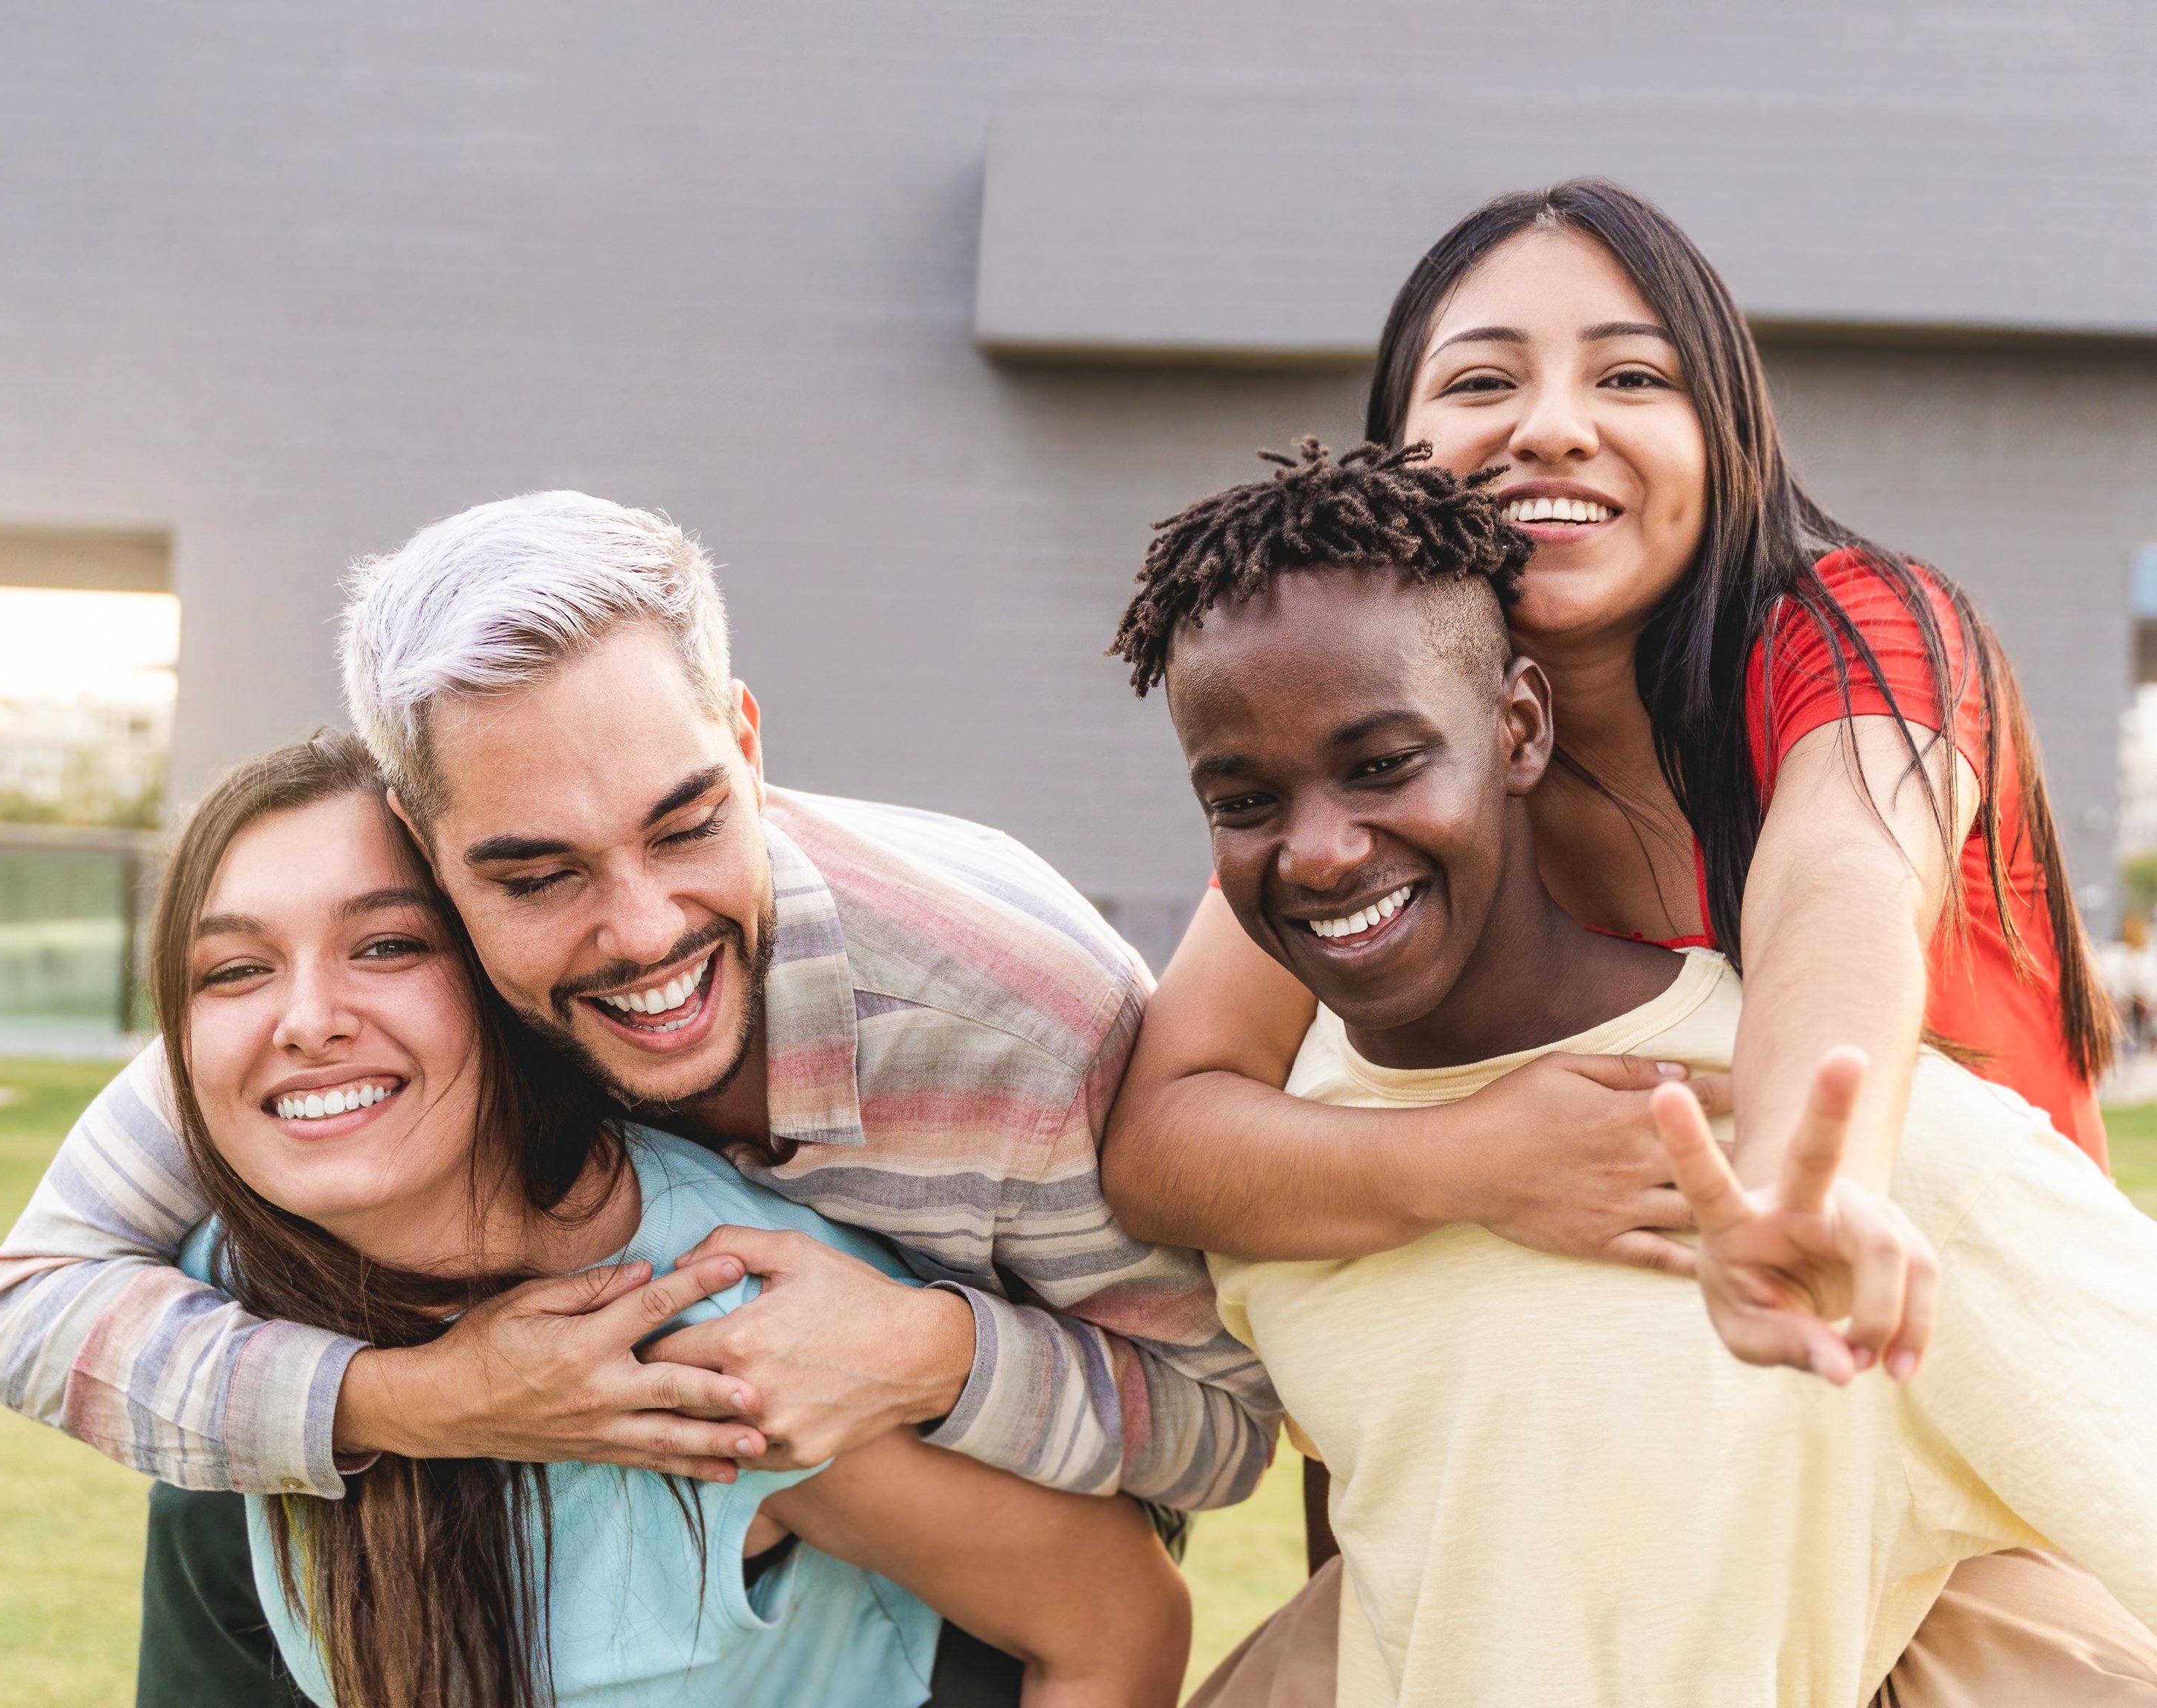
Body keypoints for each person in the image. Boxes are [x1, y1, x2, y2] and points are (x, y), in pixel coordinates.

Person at [0, 491, 1277, 1702]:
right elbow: (34, 1297)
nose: (642, 931)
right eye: (537, 877)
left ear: (746, 747)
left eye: (686, 825)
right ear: (436, 862)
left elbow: (1215, 1443)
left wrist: (929, 1352)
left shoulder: (1019, 1027)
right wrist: (425, 1400)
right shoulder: (358, 1012)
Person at [1116, 437, 2157, 1705]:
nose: (1321, 854)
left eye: (1385, 764)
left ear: (1519, 730)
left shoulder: (1880, 1160)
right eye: (1243, 801)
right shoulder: (1287, 1161)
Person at [1104, 180, 2115, 1385]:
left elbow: (1835, 890)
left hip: (1997, 1385)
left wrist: (1806, 1190)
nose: (1553, 429)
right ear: (1394, 457)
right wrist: (1472, 1161)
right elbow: (1165, 1132)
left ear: (1724, 431)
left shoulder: (1855, 633)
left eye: (1631, 379)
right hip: (1691, 1434)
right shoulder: (1404, 753)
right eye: (1483, 383)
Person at [147, 731, 1189, 1707]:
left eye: (385, 947)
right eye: (235, 969)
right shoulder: (208, 1331)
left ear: (492, 972)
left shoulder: (713, 1311)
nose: (308, 1020)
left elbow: (1117, 1626)